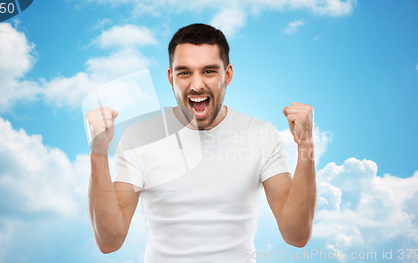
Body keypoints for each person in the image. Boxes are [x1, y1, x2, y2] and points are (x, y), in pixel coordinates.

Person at [86, 23, 317, 262]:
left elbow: (296, 235)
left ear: (227, 75)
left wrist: (306, 144)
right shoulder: (140, 137)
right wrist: (99, 153)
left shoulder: (261, 134)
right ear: (170, 77)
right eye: (184, 73)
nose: (196, 85)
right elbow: (109, 241)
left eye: (209, 71)